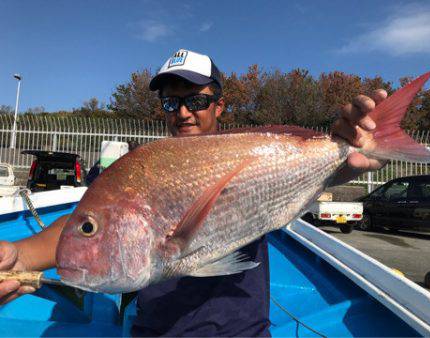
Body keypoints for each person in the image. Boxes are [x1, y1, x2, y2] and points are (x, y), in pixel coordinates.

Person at [0, 49, 387, 336]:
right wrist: (21, 256)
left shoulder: (253, 155)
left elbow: (304, 177)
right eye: (171, 102)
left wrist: (343, 157)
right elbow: (91, 221)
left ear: (220, 107)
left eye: (196, 100)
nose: (183, 112)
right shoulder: (140, 167)